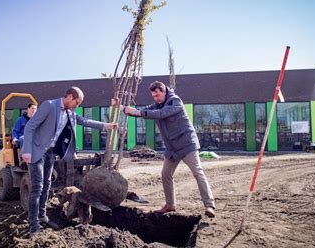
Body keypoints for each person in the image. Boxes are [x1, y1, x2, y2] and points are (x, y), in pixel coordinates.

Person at [21, 87, 117, 234]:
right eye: (77, 102)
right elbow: (30, 126)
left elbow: (85, 121)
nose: (77, 106)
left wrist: (106, 126)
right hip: (36, 151)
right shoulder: (49, 105)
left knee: (47, 185)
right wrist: (26, 150)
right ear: (70, 97)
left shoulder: (70, 113)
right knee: (37, 187)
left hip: (50, 153)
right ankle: (33, 226)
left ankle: (42, 215)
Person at [124, 81, 216, 218]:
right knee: (166, 174)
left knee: (198, 172)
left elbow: (161, 113)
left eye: (157, 95)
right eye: (153, 96)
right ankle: (170, 205)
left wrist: (138, 112)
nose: (156, 98)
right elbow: (145, 111)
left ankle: (209, 205)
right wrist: (122, 108)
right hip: (172, 148)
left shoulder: (175, 101)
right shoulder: (158, 104)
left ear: (164, 91)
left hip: (186, 144)